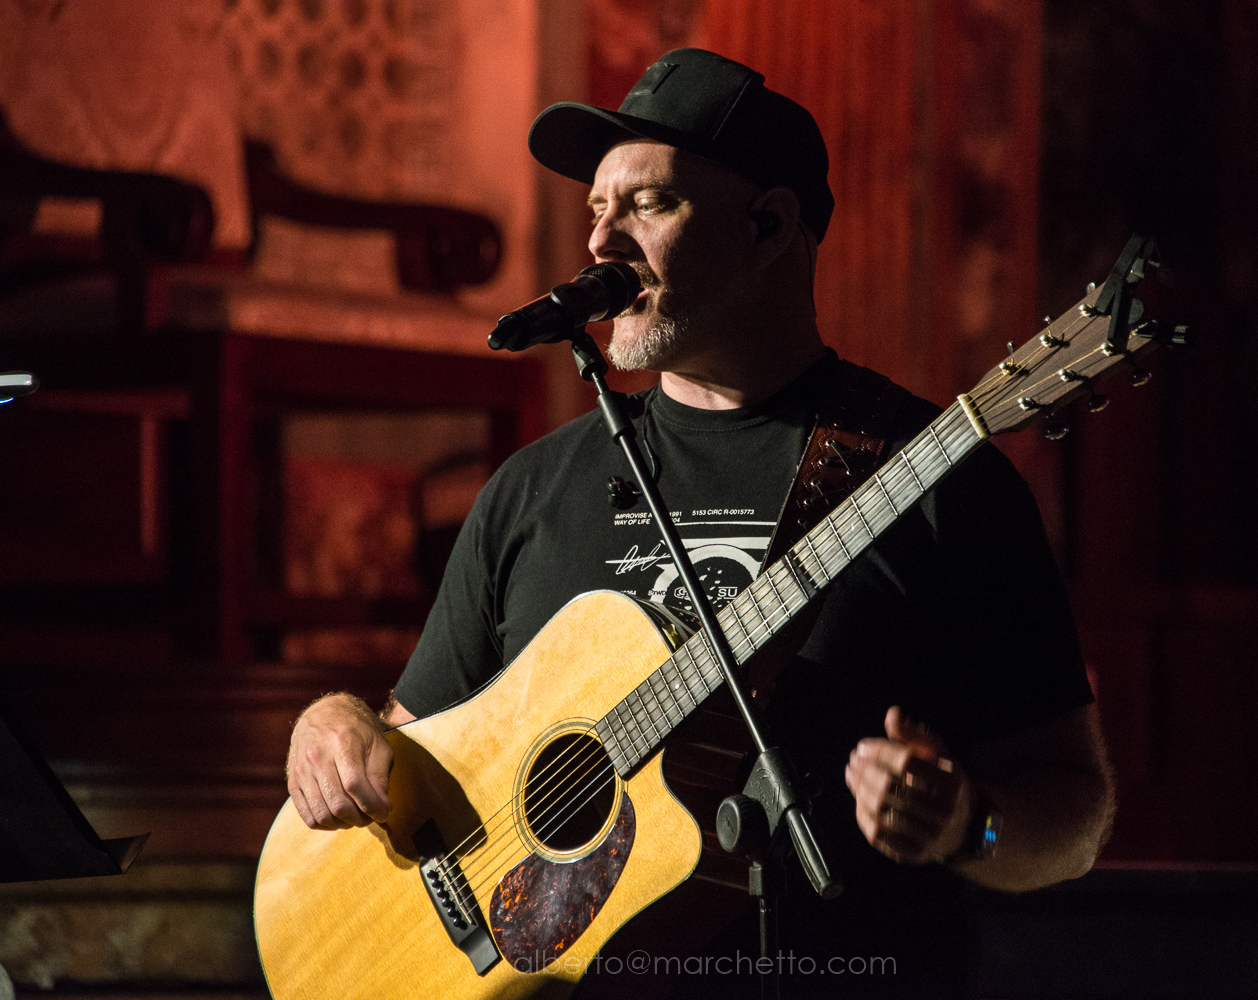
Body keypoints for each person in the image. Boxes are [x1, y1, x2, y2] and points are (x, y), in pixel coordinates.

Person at [284, 47, 1114, 999]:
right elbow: (410, 746)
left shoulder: (938, 482)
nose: (602, 241)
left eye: (648, 203)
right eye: (596, 209)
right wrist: (332, 721)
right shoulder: (530, 490)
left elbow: (1075, 816)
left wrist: (972, 826)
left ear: (769, 225)